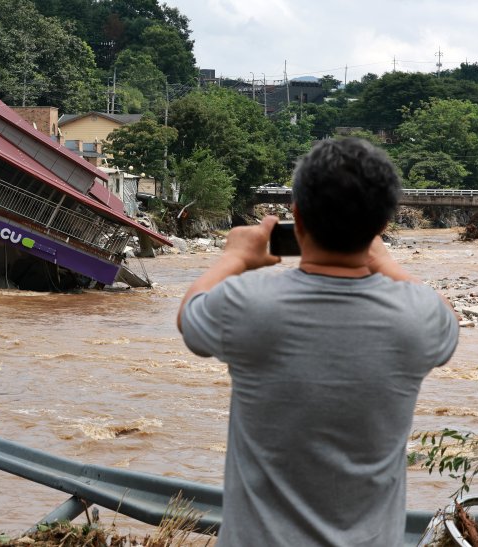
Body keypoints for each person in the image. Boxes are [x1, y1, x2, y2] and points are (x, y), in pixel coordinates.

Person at [177, 137, 459, 546]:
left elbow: (189, 316)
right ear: (382, 226)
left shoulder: (250, 303)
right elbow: (447, 315)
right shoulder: (418, 317)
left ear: (298, 218)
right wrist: (383, 261)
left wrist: (234, 257)